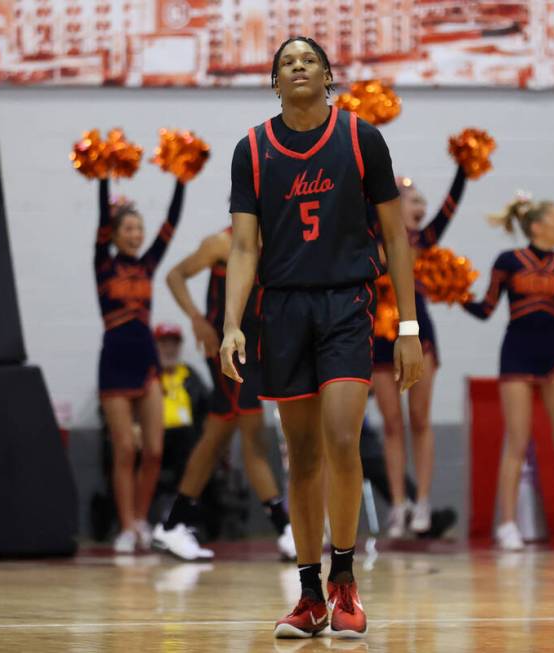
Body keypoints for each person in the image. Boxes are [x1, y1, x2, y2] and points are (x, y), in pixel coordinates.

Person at [220, 37, 423, 639]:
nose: (299, 67)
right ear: (274, 82)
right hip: (281, 310)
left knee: (342, 438)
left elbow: (396, 236)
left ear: (329, 74)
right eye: (287, 62)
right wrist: (232, 323)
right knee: (301, 455)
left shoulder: (361, 139)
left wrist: (407, 327)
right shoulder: (251, 150)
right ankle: (308, 595)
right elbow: (242, 245)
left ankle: (345, 580)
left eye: (309, 59)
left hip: (345, 304)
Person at [462, 195, 554, 550]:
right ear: (538, 225)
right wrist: (455, 293)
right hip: (516, 355)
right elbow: (485, 309)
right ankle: (508, 524)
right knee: (517, 440)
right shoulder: (508, 261)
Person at [152, 229, 295, 562]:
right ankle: (285, 528)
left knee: (215, 436)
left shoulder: (277, 243)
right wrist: (196, 319)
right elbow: (175, 276)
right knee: (252, 435)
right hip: (226, 352)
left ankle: (172, 525)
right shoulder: (220, 243)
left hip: (254, 353)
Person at [372, 169, 467, 538]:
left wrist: (461, 168)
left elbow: (450, 206)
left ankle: (423, 501)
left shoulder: (425, 238)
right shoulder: (373, 234)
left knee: (420, 419)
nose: (422, 207)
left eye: (423, 202)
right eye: (414, 200)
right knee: (392, 424)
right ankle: (399, 505)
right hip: (378, 334)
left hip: (417, 330)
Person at [93, 177, 185, 553]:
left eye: (138, 229)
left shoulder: (148, 264)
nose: (135, 235)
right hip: (115, 360)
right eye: (128, 229)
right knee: (125, 450)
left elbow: (170, 225)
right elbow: (101, 219)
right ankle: (127, 526)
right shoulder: (103, 265)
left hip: (145, 360)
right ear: (114, 235)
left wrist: (182, 178)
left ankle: (143, 520)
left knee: (154, 451)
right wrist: (103, 175)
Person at [154, 324, 209, 496]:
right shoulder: (148, 376)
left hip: (188, 438)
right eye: (164, 344)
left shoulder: (190, 375)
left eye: (173, 344)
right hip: (156, 436)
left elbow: (207, 405)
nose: (169, 350)